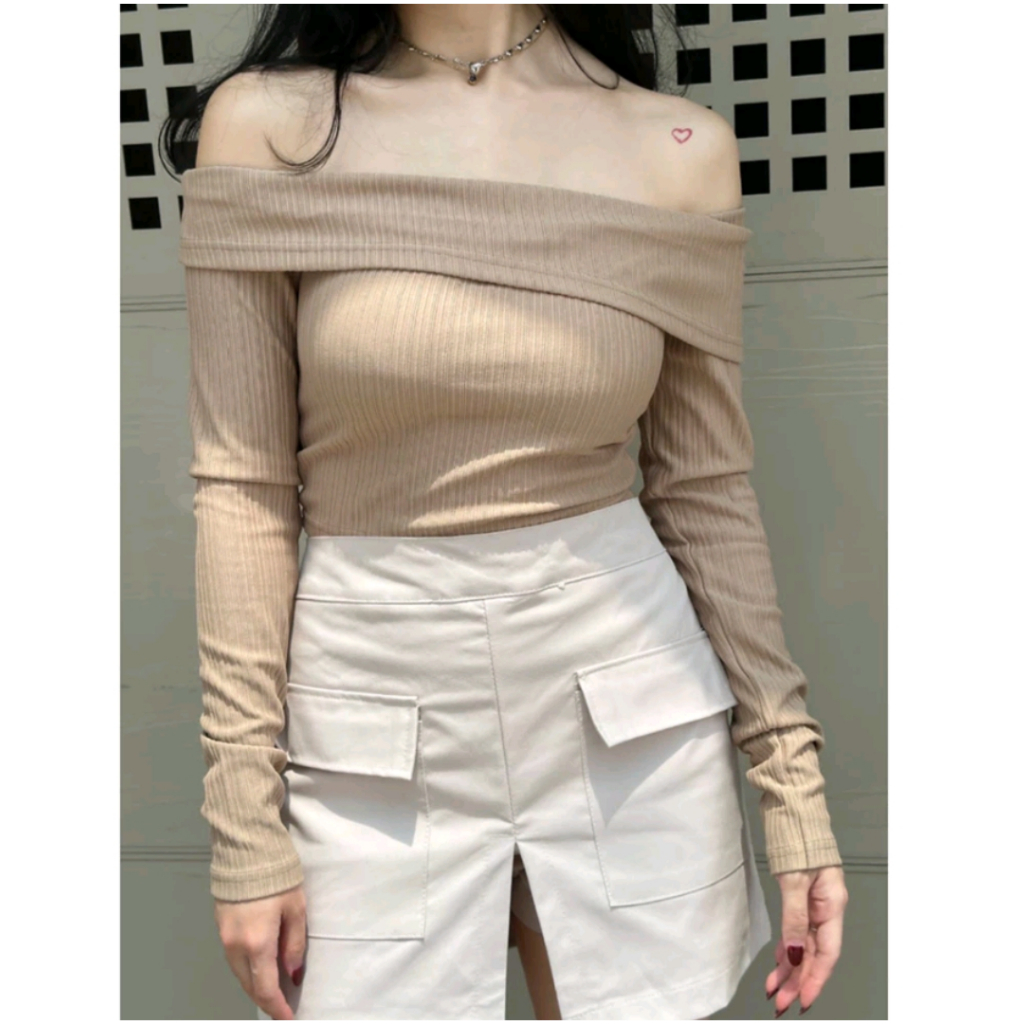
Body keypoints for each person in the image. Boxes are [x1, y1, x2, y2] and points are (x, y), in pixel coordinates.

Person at [162, 5, 849, 1020]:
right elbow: (242, 489)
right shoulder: (271, 128)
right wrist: (243, 824)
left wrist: (794, 794)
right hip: (369, 712)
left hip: (631, 713)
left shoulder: (676, 150)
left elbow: (704, 490)